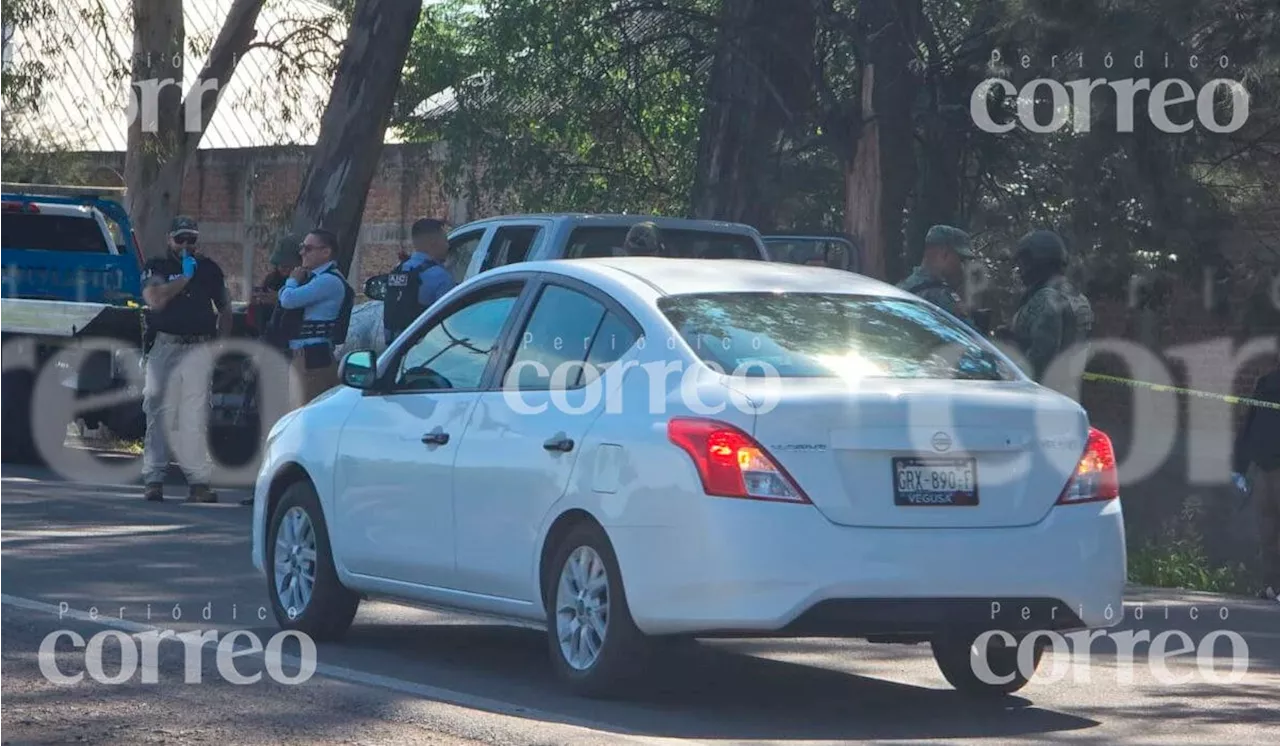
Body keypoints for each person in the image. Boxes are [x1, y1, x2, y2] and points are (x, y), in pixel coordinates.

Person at [139, 216, 231, 503]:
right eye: (181, 239)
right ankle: (154, 479)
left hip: (199, 347)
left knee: (195, 414)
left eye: (192, 239)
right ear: (170, 239)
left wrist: (221, 344)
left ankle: (198, 482)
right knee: (158, 412)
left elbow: (225, 307)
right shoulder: (157, 266)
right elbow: (154, 299)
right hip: (166, 345)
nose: (186, 245)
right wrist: (184, 279)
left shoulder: (210, 269)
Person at [269, 229, 355, 409]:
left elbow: (288, 300)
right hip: (304, 357)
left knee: (303, 414)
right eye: (302, 248)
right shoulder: (315, 279)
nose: (301, 253)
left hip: (312, 358)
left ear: (326, 252)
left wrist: (291, 281)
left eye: (308, 249)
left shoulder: (328, 281)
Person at [1006, 229, 1094, 383]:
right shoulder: (1079, 298)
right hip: (1067, 390)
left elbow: (1041, 355)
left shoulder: (1046, 298)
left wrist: (1009, 375)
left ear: (1035, 261)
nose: (1020, 270)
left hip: (1038, 393)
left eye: (1023, 263)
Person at [1230, 355, 1280, 602]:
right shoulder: (1266, 383)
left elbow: (1249, 424)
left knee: (1271, 531)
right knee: (1268, 530)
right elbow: (1251, 422)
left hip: (1268, 466)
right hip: (1265, 468)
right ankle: (1272, 587)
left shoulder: (1266, 382)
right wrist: (1239, 466)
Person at [382, 218, 455, 344]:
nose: (448, 245)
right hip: (425, 350)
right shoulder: (441, 277)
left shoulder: (399, 270)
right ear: (433, 243)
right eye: (445, 240)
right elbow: (449, 325)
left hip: (395, 347)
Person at [898, 225, 976, 328]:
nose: (963, 268)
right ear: (944, 254)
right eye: (961, 260)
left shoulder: (901, 289)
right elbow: (971, 337)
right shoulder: (941, 297)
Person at [247, 234, 299, 338]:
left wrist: (279, 299)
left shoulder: (302, 280)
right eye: (279, 264)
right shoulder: (271, 279)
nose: (282, 268)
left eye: (287, 265)